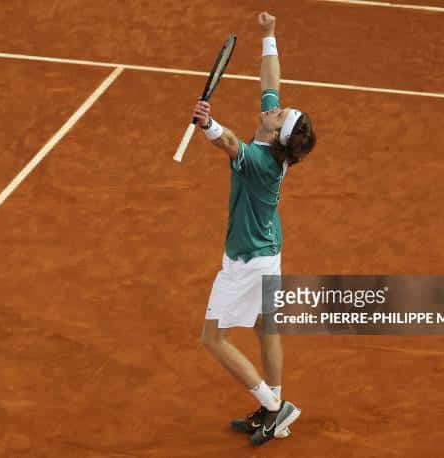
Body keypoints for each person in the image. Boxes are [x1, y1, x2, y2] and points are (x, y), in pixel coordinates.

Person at [193, 11, 316, 447]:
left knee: (214, 338)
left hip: (246, 260)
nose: (274, 108)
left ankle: (271, 405)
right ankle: (275, 405)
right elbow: (270, 84)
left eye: (278, 114)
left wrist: (207, 123)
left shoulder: (262, 161)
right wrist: (269, 36)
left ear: (276, 134)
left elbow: (229, 143)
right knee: (267, 329)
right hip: (269, 250)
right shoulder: (274, 141)